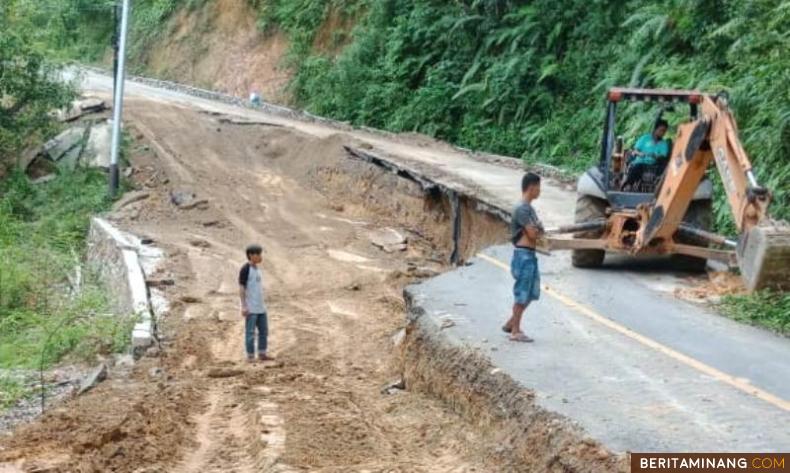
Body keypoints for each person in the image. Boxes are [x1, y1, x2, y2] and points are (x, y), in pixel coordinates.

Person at [502, 172, 543, 342]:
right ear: (532, 187)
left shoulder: (529, 209)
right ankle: (516, 331)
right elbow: (534, 234)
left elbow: (539, 230)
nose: (540, 191)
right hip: (523, 255)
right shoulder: (522, 209)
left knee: (532, 293)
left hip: (530, 255)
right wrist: (538, 230)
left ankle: (511, 322)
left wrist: (538, 230)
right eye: (539, 187)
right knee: (522, 293)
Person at [238, 244, 273, 362]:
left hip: (261, 307)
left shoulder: (257, 269)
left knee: (264, 331)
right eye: (258, 254)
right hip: (251, 308)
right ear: (251, 255)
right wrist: (243, 306)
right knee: (250, 333)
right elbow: (241, 287)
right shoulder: (245, 269)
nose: (260, 257)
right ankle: (250, 356)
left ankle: (262, 353)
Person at [622, 119, 670, 190]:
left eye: (664, 131)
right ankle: (628, 184)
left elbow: (663, 156)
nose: (663, 133)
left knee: (664, 167)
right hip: (641, 162)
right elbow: (635, 151)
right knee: (638, 167)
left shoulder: (664, 143)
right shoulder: (645, 138)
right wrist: (640, 153)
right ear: (655, 129)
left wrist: (657, 156)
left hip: (653, 165)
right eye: (661, 130)